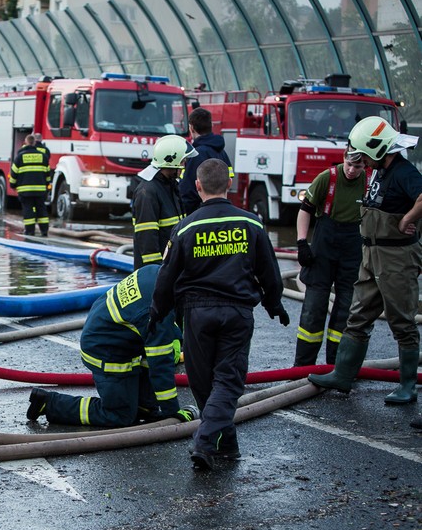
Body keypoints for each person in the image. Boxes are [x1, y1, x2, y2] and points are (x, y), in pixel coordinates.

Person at [150, 159, 288, 471]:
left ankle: (211, 441)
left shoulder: (186, 226)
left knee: (203, 383)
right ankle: (219, 443)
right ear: (229, 184)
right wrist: (274, 303)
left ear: (197, 186)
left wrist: (157, 310)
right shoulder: (252, 223)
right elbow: (270, 271)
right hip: (237, 311)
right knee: (227, 380)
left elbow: (167, 274)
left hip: (196, 313)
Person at [309, 117, 422, 404]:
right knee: (357, 316)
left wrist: (408, 218)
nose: (361, 161)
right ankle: (343, 375)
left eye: (364, 155)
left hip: (396, 257)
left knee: (402, 321)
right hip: (371, 254)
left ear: (379, 149)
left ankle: (408, 386)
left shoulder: (403, 172)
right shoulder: (381, 171)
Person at [26, 264, 198, 427]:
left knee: (149, 367)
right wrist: (173, 413)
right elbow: (160, 365)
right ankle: (49, 403)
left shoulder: (155, 272)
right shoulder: (157, 311)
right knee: (120, 415)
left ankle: (145, 405)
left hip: (115, 337)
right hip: (105, 351)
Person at [293, 148, 367, 366]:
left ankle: (336, 365)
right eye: (349, 165)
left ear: (366, 166)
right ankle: (303, 366)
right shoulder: (328, 178)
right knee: (313, 309)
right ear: (343, 159)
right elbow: (305, 209)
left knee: (346, 308)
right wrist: (301, 242)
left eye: (358, 166)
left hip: (352, 249)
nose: (352, 170)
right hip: (324, 248)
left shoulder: (369, 182)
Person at [132, 135, 196, 268]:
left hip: (170, 266)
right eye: (182, 161)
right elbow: (147, 237)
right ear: (171, 161)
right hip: (157, 271)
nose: (183, 166)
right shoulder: (147, 192)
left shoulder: (170, 186)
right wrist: (154, 270)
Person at [179, 107, 233, 215]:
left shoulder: (196, 154)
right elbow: (228, 181)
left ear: (191, 128)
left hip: (199, 214)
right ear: (211, 126)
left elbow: (188, 191)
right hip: (221, 211)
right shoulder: (222, 152)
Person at [10, 134, 51, 236]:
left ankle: (30, 232)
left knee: (28, 211)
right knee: (42, 211)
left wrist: (12, 185)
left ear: (26, 142)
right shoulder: (43, 156)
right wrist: (46, 186)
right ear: (34, 143)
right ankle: (44, 232)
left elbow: (14, 173)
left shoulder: (20, 157)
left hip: (25, 191)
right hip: (40, 191)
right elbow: (48, 174)